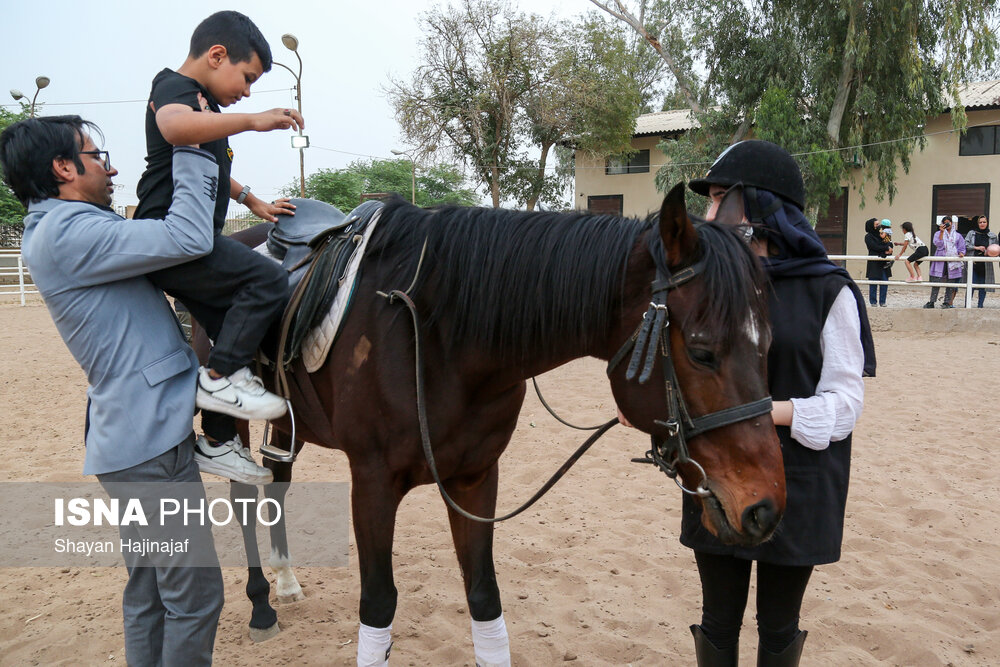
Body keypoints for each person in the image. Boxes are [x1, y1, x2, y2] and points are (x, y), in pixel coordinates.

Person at [0, 115, 225, 664]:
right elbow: (188, 236)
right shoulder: (72, 231)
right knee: (195, 599)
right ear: (63, 167)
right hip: (149, 448)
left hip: (129, 441)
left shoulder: (58, 227)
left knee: (148, 595)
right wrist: (191, 147)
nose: (111, 166)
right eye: (97, 154)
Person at [677, 139, 874, 666]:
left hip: (802, 478)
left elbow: (845, 403)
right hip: (721, 471)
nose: (708, 212)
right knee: (718, 618)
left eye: (720, 198)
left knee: (779, 624)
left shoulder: (828, 291)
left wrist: (770, 412)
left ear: (760, 206)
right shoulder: (710, 285)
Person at [134, 10, 307, 484]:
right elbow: (174, 128)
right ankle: (215, 388)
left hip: (192, 240)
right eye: (247, 77)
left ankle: (217, 440)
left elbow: (208, 163)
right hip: (172, 237)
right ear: (216, 55)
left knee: (232, 337)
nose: (248, 91)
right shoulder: (176, 89)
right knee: (268, 278)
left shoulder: (204, 108)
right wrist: (251, 121)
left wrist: (252, 200)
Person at [925, 215, 966, 309]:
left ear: (951, 223)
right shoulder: (938, 233)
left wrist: (961, 253)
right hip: (940, 259)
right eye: (945, 223)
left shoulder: (957, 235)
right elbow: (938, 244)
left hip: (952, 260)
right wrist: (941, 233)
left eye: (948, 222)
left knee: (950, 282)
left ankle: (947, 302)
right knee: (936, 281)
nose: (947, 224)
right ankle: (932, 301)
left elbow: (962, 247)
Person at [964, 215, 996, 308]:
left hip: (985, 265)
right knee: (971, 285)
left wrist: (988, 252)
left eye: (984, 222)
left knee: (983, 286)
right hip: (973, 263)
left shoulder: (992, 236)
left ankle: (980, 305)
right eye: (980, 222)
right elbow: (965, 244)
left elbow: (995, 249)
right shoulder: (972, 233)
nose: (982, 224)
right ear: (978, 223)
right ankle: (967, 305)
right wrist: (977, 247)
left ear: (987, 223)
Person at [864, 217, 893, 307]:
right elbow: (873, 247)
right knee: (873, 282)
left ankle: (882, 301)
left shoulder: (882, 234)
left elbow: (889, 243)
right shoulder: (868, 236)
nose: (879, 226)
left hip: (884, 262)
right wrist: (885, 250)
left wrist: (888, 248)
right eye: (876, 224)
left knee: (884, 281)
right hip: (874, 262)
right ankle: (873, 302)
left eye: (878, 224)